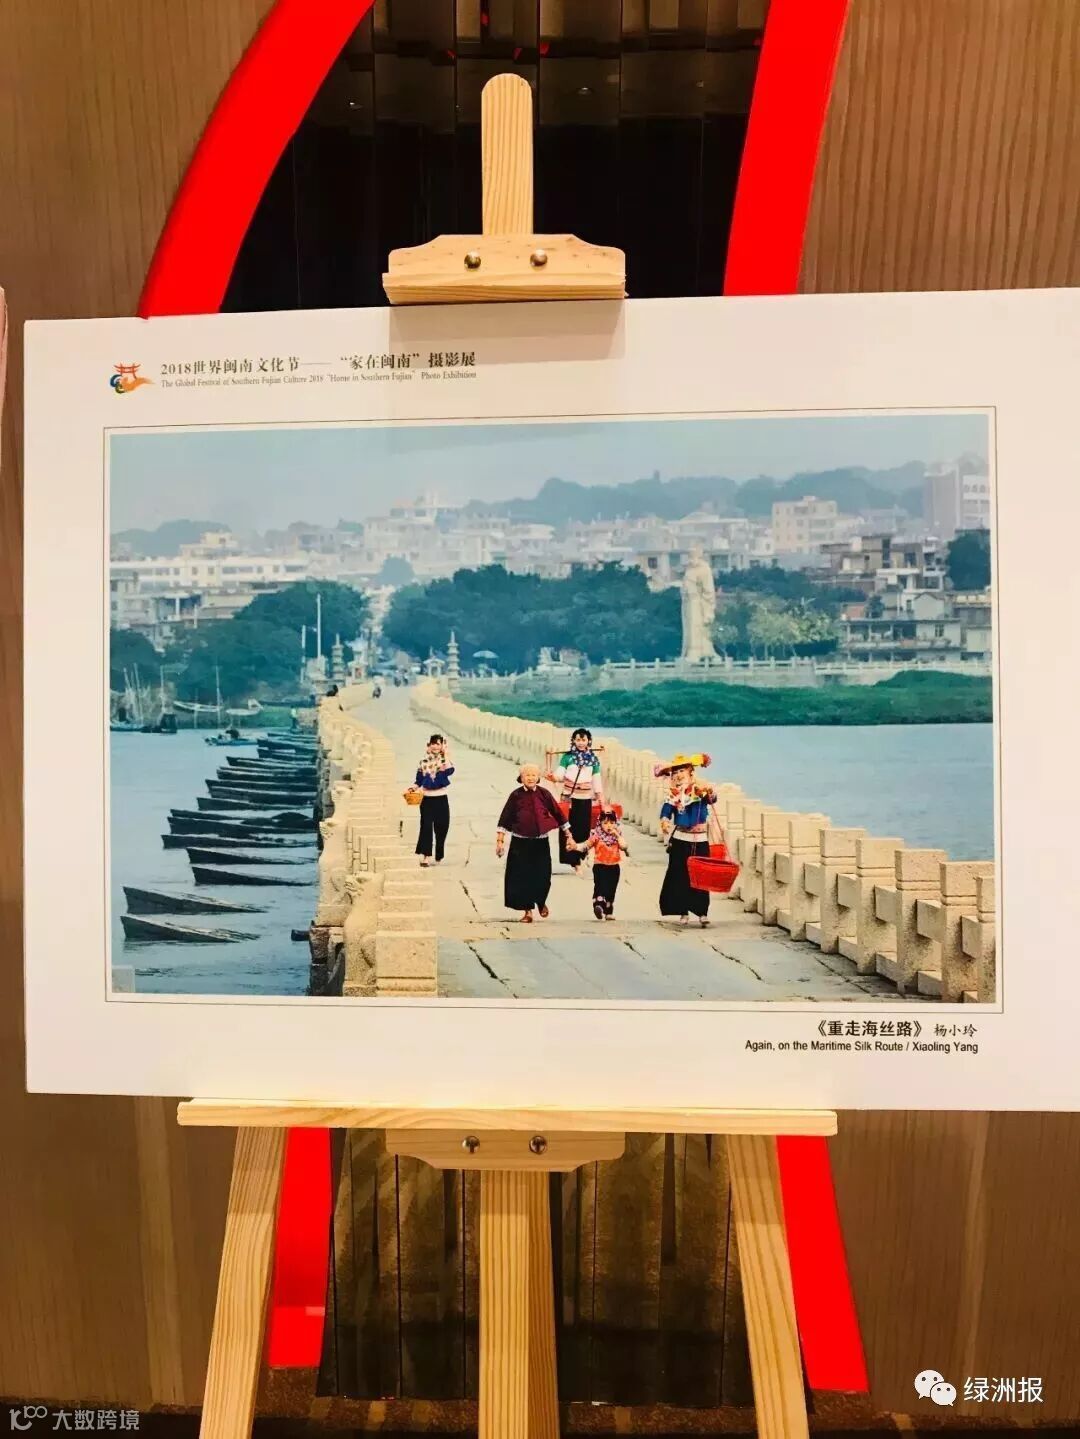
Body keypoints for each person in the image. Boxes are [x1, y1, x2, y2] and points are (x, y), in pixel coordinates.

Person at [496, 764, 570, 922]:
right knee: (521, 877)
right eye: (527, 775)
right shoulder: (515, 795)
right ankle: (527, 911)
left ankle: (541, 901)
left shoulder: (544, 794)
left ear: (538, 777)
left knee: (542, 875)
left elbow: (558, 813)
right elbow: (505, 818)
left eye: (533, 775)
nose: (530, 778)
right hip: (520, 842)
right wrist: (500, 841)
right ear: (521, 778)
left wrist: (568, 835)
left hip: (540, 842)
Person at [655, 753, 717, 926]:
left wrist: (710, 792)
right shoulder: (673, 794)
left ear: (690, 772)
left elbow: (712, 799)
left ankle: (702, 912)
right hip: (681, 839)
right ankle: (683, 911)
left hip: (700, 839)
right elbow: (666, 810)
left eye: (681, 771)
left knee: (701, 875)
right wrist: (665, 821)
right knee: (680, 876)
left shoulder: (699, 790)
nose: (678, 775)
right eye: (675, 772)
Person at [551, 727, 603, 874]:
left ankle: (580, 857)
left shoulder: (593, 759)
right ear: (573, 741)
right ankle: (572, 861)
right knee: (567, 828)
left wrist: (600, 797)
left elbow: (596, 779)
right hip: (569, 797)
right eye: (578, 739)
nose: (581, 743)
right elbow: (560, 774)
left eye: (583, 740)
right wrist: (553, 777)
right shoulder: (568, 757)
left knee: (583, 829)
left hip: (585, 798)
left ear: (588, 741)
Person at [570, 807, 630, 921]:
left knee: (611, 889)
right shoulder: (596, 835)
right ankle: (598, 906)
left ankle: (608, 911)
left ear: (616, 823)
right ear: (600, 823)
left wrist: (617, 835)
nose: (609, 826)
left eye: (612, 823)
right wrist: (575, 847)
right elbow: (585, 846)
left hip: (614, 867)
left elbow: (624, 846)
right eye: (605, 823)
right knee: (600, 886)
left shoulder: (618, 835)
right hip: (600, 866)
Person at [414, 733, 454, 866]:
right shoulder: (423, 761)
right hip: (426, 799)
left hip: (441, 799)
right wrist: (413, 787)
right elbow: (419, 780)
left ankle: (439, 853)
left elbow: (450, 771)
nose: (435, 746)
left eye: (438, 744)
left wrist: (445, 753)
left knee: (442, 827)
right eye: (433, 744)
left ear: (441, 745)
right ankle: (426, 856)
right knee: (426, 827)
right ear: (429, 745)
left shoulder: (444, 761)